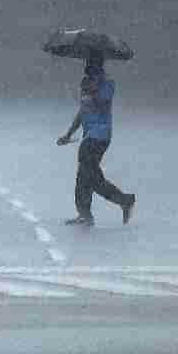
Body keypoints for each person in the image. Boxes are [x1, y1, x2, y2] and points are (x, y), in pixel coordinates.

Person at [56, 53, 135, 226]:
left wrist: (92, 90)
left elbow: (103, 105)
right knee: (86, 175)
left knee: (88, 176)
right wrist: (68, 134)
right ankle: (87, 212)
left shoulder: (106, 83)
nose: (87, 66)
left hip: (100, 136)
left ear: (98, 64)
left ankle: (122, 201)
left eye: (90, 63)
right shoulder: (87, 83)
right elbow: (83, 111)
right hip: (89, 136)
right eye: (86, 63)